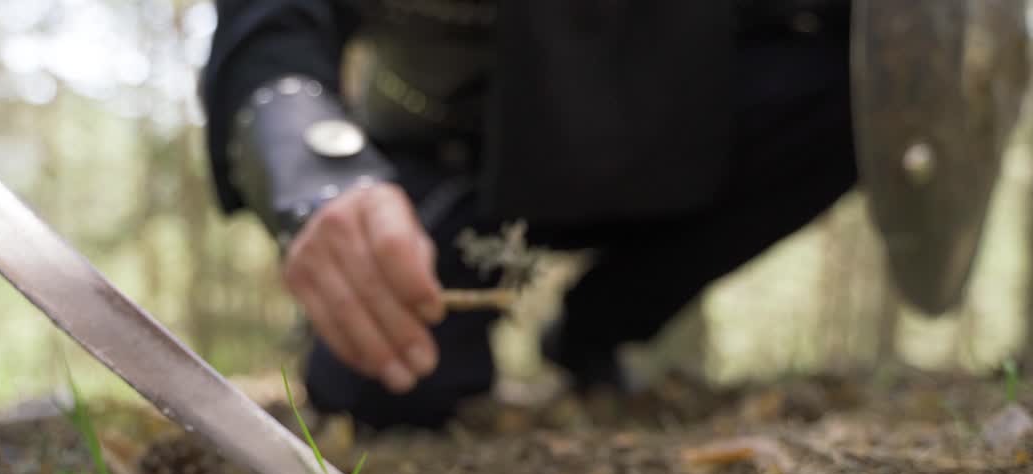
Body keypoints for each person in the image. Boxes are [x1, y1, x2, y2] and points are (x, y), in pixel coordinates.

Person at [199, 1, 858, 429]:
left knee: (847, 95)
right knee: (394, 386)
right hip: (462, 163)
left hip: (659, 137)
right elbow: (273, 24)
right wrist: (318, 177)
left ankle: (598, 324)